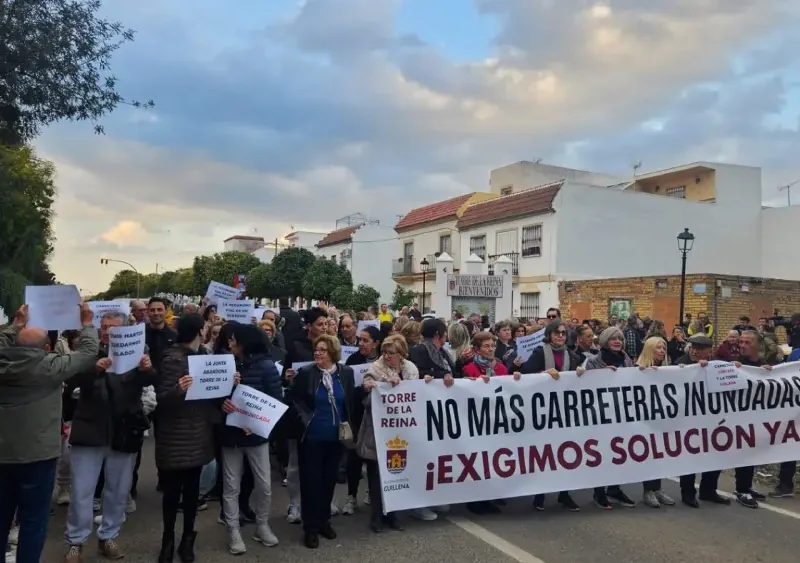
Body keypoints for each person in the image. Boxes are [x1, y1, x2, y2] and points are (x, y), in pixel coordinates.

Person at [0, 304, 98, 563]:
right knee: (33, 521)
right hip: (38, 456)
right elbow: (88, 353)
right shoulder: (50, 366)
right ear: (46, 348)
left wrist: (15, 325)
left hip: (3, 455)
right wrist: (88, 323)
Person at [63, 311, 156, 562]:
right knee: (82, 491)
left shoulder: (136, 355)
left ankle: (109, 536)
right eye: (103, 327)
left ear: (124, 331)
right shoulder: (88, 352)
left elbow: (148, 382)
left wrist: (147, 370)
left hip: (123, 432)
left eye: (112, 327)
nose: (106, 331)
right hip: (89, 431)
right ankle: (76, 541)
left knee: (117, 491)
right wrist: (94, 369)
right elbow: (69, 380)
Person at [155, 314, 234, 563]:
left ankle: (187, 538)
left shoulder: (203, 359)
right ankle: (168, 540)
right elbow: (162, 399)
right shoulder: (171, 358)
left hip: (198, 433)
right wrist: (179, 389)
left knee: (191, 494)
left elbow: (212, 395)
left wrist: (228, 384)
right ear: (199, 331)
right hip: (174, 435)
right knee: (171, 495)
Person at [288, 334, 355, 549]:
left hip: (336, 438)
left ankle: (323, 520)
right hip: (312, 437)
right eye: (316, 349)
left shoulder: (346, 373)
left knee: (329, 480)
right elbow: (294, 398)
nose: (318, 353)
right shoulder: (307, 373)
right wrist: (302, 418)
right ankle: (310, 528)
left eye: (323, 350)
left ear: (332, 353)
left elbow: (350, 401)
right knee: (311, 482)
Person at [220, 324, 282, 554]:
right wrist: (223, 402)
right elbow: (212, 396)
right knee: (231, 486)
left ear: (244, 342)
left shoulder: (267, 367)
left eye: (234, 340)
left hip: (257, 437)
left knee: (264, 485)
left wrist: (258, 426)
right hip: (231, 436)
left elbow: (276, 403)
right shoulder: (225, 365)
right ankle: (233, 531)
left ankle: (262, 525)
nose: (229, 343)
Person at [361, 335, 418, 532]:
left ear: (401, 355)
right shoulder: (375, 370)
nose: (386, 356)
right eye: (384, 352)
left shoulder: (411, 370)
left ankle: (393, 515)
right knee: (377, 476)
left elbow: (415, 398)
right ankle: (376, 517)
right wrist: (375, 389)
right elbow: (366, 399)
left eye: (391, 353)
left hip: (401, 431)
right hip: (377, 431)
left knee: (398, 473)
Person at [583, 327, 636, 509]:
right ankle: (599, 492)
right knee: (601, 453)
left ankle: (614, 488)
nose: (617, 342)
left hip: (621, 413)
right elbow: (585, 384)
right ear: (606, 341)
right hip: (600, 414)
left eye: (619, 339)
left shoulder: (627, 360)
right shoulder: (593, 361)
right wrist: (603, 374)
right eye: (613, 339)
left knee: (619, 453)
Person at [635, 337, 675, 508]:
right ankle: (648, 491)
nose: (662, 351)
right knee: (649, 456)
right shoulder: (638, 369)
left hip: (663, 418)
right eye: (658, 348)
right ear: (650, 349)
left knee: (660, 455)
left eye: (664, 347)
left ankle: (657, 488)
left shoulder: (667, 369)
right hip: (646, 419)